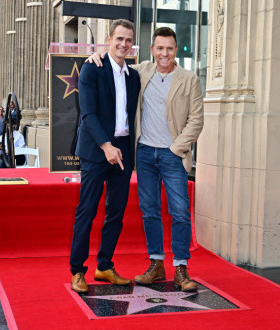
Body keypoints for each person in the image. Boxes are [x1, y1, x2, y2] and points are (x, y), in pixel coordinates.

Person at [88, 27, 204, 292]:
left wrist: (176, 148)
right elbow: (114, 61)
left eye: (170, 48)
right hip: (144, 153)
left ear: (176, 50)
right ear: (152, 50)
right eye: (159, 48)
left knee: (180, 212)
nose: (165, 53)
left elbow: (196, 120)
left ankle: (181, 268)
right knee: (150, 211)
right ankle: (156, 264)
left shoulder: (189, 79)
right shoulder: (141, 71)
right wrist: (95, 56)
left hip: (173, 155)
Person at [70, 19, 141, 293]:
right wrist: (106, 146)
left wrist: (118, 148)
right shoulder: (92, 67)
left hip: (123, 150)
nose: (123, 44)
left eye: (128, 40)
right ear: (109, 40)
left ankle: (104, 266)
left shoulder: (133, 75)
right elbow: (87, 113)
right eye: (119, 39)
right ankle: (77, 271)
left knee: (117, 211)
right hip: (95, 151)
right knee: (86, 211)